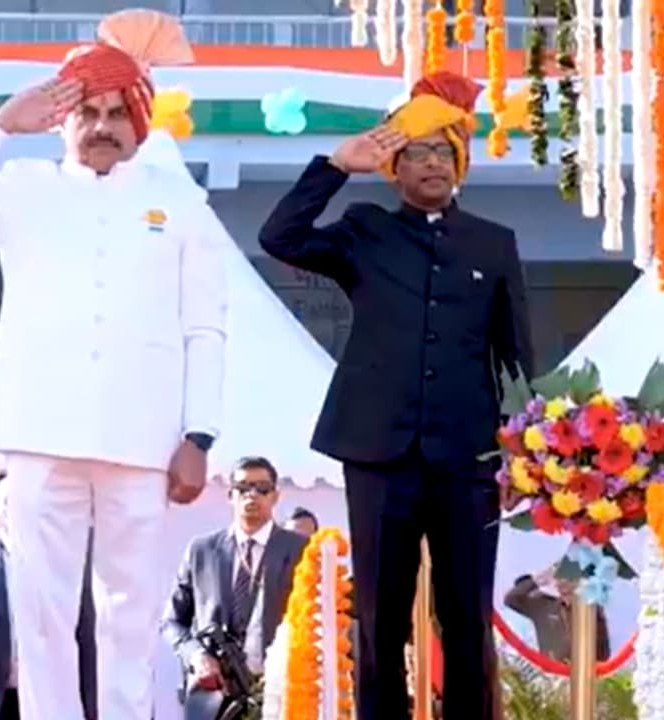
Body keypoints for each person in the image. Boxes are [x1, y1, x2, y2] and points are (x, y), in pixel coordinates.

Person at [0, 10, 226, 720]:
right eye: (87, 111)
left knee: (130, 611)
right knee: (41, 609)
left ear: (139, 123)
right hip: (39, 431)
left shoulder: (180, 203)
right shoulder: (20, 186)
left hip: (142, 438)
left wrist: (198, 436)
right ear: (61, 120)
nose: (102, 126)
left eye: (117, 112)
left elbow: (205, 327)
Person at [257, 71, 534, 720]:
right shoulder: (365, 230)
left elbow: (516, 354)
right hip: (379, 452)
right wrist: (334, 166)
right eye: (416, 152)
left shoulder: (493, 242)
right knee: (380, 618)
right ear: (394, 168)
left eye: (443, 151)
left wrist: (523, 450)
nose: (432, 162)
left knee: (467, 617)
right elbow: (279, 237)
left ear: (459, 164)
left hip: (468, 457)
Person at [162, 457, 307, 720]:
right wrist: (197, 656)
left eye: (262, 488)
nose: (252, 495)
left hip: (280, 693)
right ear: (230, 495)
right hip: (213, 692)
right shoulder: (202, 551)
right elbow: (173, 622)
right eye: (243, 488)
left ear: (275, 496)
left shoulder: (300, 550)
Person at [0, 475, 98, 720]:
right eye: (7, 502)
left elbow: (85, 639)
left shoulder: (65, 567)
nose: (14, 509)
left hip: (50, 699)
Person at [504, 566, 611, 663]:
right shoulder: (544, 606)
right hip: (551, 673)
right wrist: (536, 581)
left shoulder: (590, 609)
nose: (562, 581)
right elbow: (511, 599)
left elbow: (602, 652)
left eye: (568, 576)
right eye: (559, 577)